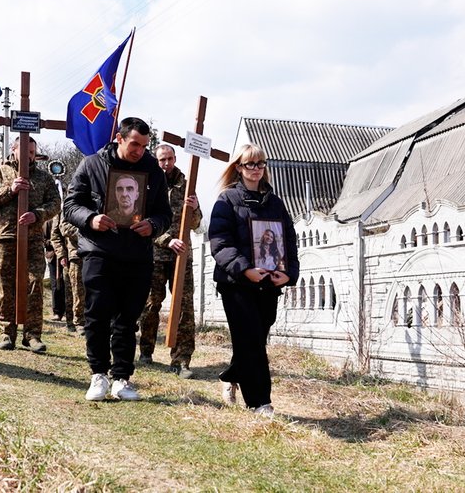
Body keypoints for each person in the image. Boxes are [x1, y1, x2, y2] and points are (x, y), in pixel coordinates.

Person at [63, 117, 172, 401]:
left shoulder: (152, 172)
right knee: (98, 313)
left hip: (137, 255)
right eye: (135, 144)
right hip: (99, 251)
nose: (140, 151)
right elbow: (71, 205)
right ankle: (98, 374)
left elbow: (164, 213)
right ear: (120, 138)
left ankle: (121, 378)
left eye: (145, 145)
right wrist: (91, 218)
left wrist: (153, 225)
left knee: (128, 317)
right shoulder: (92, 164)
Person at [208, 143, 299, 417]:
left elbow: (289, 242)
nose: (256, 169)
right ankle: (261, 402)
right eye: (250, 164)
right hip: (235, 283)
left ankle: (230, 376)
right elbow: (220, 243)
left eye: (260, 164)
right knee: (250, 339)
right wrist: (245, 269)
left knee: (255, 339)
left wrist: (289, 273)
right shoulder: (226, 201)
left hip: (268, 284)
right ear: (238, 167)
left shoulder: (275, 203)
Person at [0, 137, 60, 353]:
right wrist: (9, 190)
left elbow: (55, 204)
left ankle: (32, 335)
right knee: (6, 284)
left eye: (32, 152)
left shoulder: (44, 178)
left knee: (34, 284)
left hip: (33, 239)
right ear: (14, 150)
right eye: (25, 151)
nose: (29, 155)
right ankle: (7, 332)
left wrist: (38, 214)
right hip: (6, 237)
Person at [139, 144, 202, 378]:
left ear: (175, 159)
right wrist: (167, 240)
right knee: (151, 303)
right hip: (155, 253)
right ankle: (145, 350)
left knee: (184, 306)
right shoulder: (148, 184)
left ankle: (182, 359)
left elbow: (196, 224)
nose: (166, 164)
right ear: (155, 161)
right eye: (161, 160)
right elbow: (142, 219)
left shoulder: (187, 186)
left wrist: (194, 209)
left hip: (182, 254)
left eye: (169, 159)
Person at [50, 209, 85, 334]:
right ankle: (76, 322)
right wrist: (61, 255)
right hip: (74, 255)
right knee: (74, 291)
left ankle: (81, 321)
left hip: (94, 253)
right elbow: (56, 235)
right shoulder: (65, 209)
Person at [43, 216, 66, 321]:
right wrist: (53, 244)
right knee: (56, 284)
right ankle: (57, 311)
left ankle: (68, 311)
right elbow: (44, 239)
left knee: (68, 283)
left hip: (68, 254)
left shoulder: (67, 216)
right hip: (53, 256)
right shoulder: (48, 221)